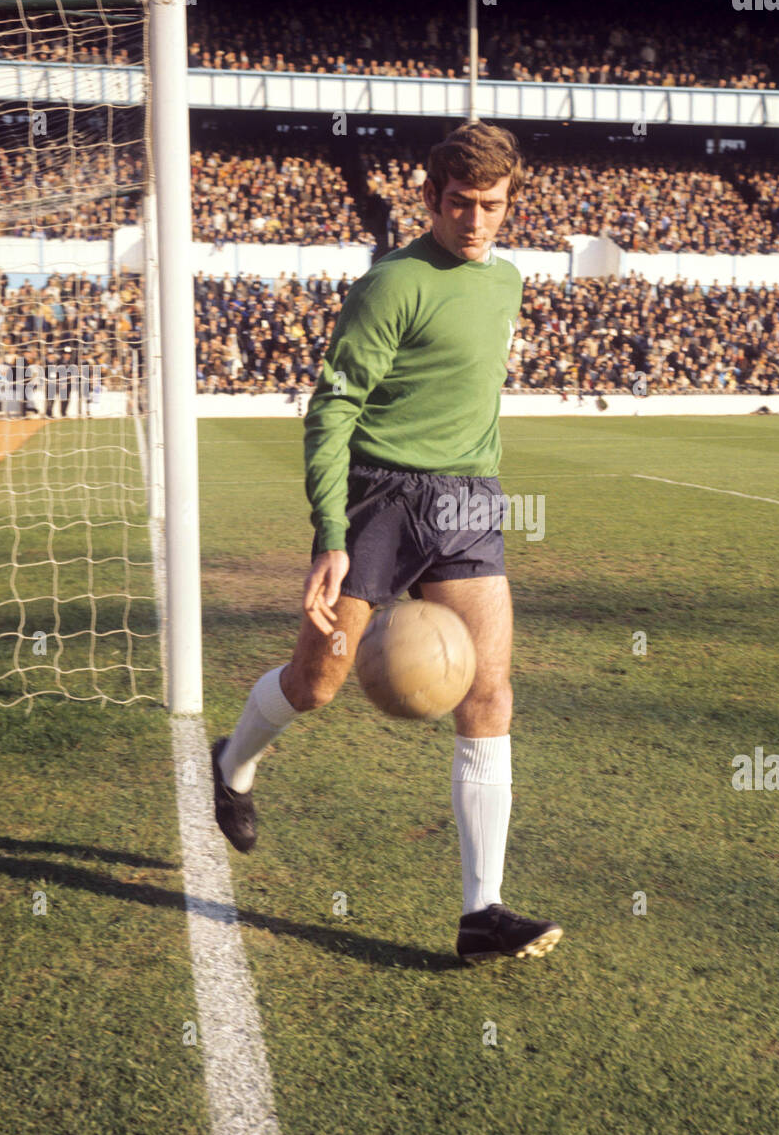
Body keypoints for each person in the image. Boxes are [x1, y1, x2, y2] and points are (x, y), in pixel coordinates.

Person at [211, 121, 563, 965]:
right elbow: (331, 412)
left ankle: (484, 911)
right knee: (318, 681)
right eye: (459, 204)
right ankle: (230, 762)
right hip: (379, 499)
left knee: (489, 691)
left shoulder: (508, 280)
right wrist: (331, 535)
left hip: (469, 499)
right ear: (430, 197)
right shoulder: (390, 285)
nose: (475, 222)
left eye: (491, 206)